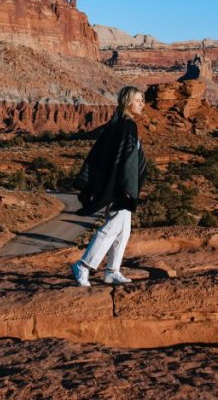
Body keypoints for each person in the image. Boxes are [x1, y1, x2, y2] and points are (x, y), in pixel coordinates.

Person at [71, 85, 147, 287]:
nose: (142, 104)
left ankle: (112, 271)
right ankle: (83, 265)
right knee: (111, 228)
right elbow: (127, 161)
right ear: (128, 102)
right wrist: (127, 188)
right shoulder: (127, 125)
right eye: (139, 100)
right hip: (120, 187)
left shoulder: (117, 124)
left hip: (117, 184)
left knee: (124, 231)